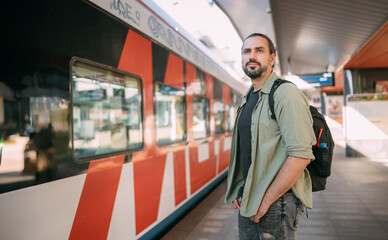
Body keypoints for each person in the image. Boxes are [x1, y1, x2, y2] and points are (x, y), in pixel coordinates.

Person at [225, 33, 316, 240]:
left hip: (277, 203)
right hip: (250, 199)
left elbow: (300, 155)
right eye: (247, 51)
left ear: (272, 58)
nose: (252, 56)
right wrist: (241, 189)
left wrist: (266, 201)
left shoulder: (285, 94)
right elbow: (248, 151)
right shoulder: (248, 97)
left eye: (259, 50)